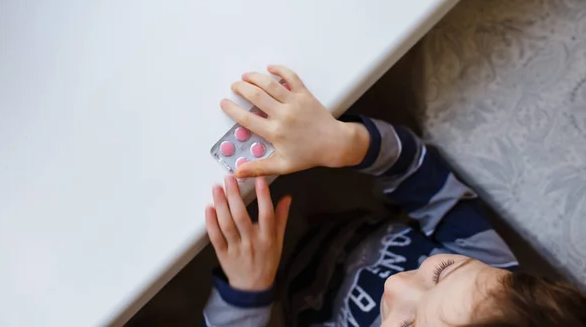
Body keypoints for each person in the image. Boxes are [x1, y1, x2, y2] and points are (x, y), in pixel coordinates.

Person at [202, 66, 586, 327]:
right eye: (441, 271)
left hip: (277, 291)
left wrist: (246, 292)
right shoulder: (489, 262)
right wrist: (344, 144)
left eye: (405, 323)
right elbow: (422, 176)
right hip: (344, 221)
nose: (396, 284)